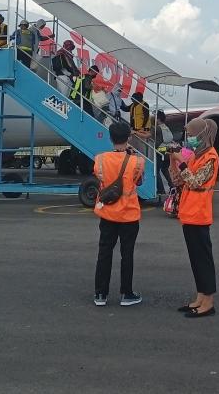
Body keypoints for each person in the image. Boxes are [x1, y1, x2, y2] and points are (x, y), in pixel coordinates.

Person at [92, 122, 146, 308]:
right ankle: (126, 293)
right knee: (127, 253)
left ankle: (100, 293)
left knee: (104, 251)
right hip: (128, 214)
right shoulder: (137, 161)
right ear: (129, 138)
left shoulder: (100, 159)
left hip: (107, 212)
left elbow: (100, 177)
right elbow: (139, 181)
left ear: (110, 138)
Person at [176, 118, 219, 318]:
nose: (190, 138)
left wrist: (181, 162)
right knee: (196, 259)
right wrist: (175, 161)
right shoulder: (197, 155)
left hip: (199, 214)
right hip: (189, 214)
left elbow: (194, 182)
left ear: (202, 135)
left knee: (203, 260)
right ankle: (201, 297)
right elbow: (181, 180)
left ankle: (208, 302)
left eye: (192, 135)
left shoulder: (210, 157)